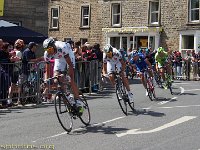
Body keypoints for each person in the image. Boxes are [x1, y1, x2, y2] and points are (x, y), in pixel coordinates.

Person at [43, 37, 83, 113]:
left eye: (50, 49)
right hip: (59, 59)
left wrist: (67, 76)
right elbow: (47, 69)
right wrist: (47, 80)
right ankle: (67, 97)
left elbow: (70, 65)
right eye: (47, 50)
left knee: (70, 79)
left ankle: (77, 99)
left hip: (68, 56)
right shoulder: (47, 55)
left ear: (54, 46)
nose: (50, 52)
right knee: (56, 79)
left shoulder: (62, 47)